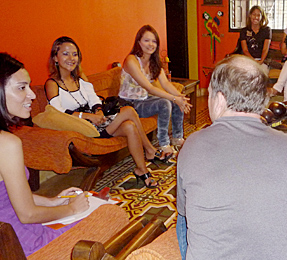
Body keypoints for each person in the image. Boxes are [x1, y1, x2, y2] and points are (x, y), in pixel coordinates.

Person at [176, 55, 287, 260]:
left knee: (183, 216)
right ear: (264, 100)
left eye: (210, 95)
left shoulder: (191, 145)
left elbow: (186, 210)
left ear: (220, 99)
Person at [0, 52, 90, 256]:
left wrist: (53, 201)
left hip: (8, 239)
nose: (32, 95)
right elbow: (27, 214)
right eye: (22, 87)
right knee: (107, 214)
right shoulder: (6, 144)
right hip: (20, 245)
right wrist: (71, 209)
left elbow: (6, 197)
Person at [45, 37, 158, 188]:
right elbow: (56, 111)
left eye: (75, 54)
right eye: (66, 54)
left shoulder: (80, 81)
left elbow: (94, 99)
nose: (71, 58)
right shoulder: (52, 84)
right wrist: (86, 116)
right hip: (82, 128)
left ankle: (141, 170)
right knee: (129, 111)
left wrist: (98, 112)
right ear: (55, 58)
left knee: (130, 126)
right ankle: (149, 149)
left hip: (97, 123)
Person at [120, 25, 192, 159]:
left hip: (144, 100)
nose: (150, 44)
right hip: (130, 103)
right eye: (146, 40)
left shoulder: (154, 61)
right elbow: (150, 88)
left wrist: (181, 98)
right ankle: (163, 143)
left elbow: (165, 84)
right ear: (138, 42)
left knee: (175, 99)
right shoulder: (131, 60)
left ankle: (177, 137)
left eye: (154, 41)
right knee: (165, 102)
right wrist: (174, 98)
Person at [239, 5, 272, 73]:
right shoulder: (244, 31)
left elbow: (265, 49)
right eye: (254, 14)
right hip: (248, 60)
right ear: (250, 15)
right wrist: (253, 61)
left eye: (258, 15)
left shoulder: (266, 30)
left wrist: (261, 61)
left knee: (261, 72)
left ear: (262, 17)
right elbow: (245, 50)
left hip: (262, 61)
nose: (256, 17)